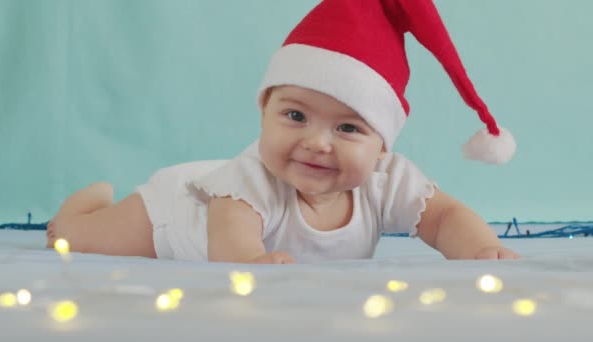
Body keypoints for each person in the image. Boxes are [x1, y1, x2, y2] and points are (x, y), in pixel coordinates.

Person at [46, 0, 519, 263]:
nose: (317, 141)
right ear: (264, 111)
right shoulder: (250, 181)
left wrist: (481, 249)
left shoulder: (388, 181)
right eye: (295, 116)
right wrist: (250, 266)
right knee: (82, 239)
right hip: (178, 219)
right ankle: (77, 214)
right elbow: (232, 237)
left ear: (382, 148)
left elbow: (444, 217)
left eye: (348, 127)